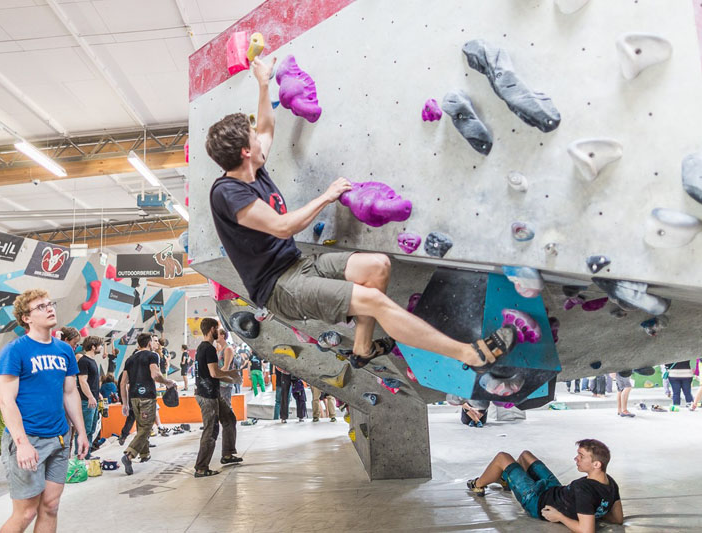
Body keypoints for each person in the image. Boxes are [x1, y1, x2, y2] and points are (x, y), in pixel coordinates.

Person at [206, 56, 517, 377]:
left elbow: (267, 126)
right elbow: (284, 227)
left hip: (298, 264)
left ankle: (362, 348)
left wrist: (263, 82)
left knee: (377, 266)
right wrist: (326, 196)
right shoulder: (227, 193)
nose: (260, 138)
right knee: (374, 301)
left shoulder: (253, 169)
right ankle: (469, 353)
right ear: (245, 151)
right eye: (252, 137)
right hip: (279, 288)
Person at [0, 289, 88, 532]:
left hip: (59, 438)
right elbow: (6, 401)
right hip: (29, 438)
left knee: (51, 506)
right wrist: (22, 442)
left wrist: (82, 432)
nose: (50, 309)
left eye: (50, 304)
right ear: (26, 318)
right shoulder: (14, 351)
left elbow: (70, 392)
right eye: (41, 307)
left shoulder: (64, 350)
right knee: (25, 513)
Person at [467, 439, 623, 531]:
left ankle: (478, 484)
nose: (576, 459)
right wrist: (593, 510)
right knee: (525, 455)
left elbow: (586, 530)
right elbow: (617, 518)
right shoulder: (610, 482)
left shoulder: (584, 490)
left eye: (581, 456)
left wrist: (560, 516)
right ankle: (507, 477)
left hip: (537, 500)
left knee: (502, 457)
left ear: (596, 464)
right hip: (554, 489)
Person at [118, 333, 175, 475]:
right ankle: (129, 455)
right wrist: (169, 383)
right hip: (147, 397)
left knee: (140, 425)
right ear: (149, 343)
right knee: (147, 426)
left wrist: (125, 403)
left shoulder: (130, 359)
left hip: (133, 398)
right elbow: (155, 375)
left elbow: (123, 382)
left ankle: (145, 454)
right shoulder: (152, 355)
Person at [194, 318, 243, 477]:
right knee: (211, 429)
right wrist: (232, 374)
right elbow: (215, 373)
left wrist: (230, 378)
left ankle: (227, 454)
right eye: (217, 328)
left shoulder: (203, 348)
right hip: (207, 396)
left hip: (211, 392)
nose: (219, 332)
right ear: (212, 329)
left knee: (229, 418)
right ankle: (201, 467)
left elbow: (212, 374)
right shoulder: (208, 349)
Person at [77, 336, 102, 460]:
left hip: (93, 399)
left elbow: (92, 381)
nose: (101, 347)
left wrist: (98, 395)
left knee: (92, 429)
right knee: (85, 429)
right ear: (93, 346)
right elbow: (82, 381)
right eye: (100, 345)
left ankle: (87, 453)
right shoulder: (84, 361)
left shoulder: (92, 361)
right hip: (86, 401)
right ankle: (80, 455)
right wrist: (90, 397)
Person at [217, 329, 239, 406]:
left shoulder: (228, 349)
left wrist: (213, 375)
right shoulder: (221, 349)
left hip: (225, 383)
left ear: (222, 335)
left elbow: (226, 367)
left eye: (217, 334)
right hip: (221, 382)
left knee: (226, 407)